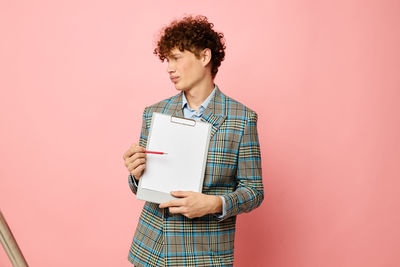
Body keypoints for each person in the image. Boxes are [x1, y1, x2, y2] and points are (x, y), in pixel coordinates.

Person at [123, 15, 264, 267]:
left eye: (176, 58)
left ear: (204, 57)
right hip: (154, 251)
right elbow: (141, 188)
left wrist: (213, 203)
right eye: (167, 60)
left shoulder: (242, 119)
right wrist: (135, 174)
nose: (169, 68)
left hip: (205, 254)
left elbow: (254, 191)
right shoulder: (155, 113)